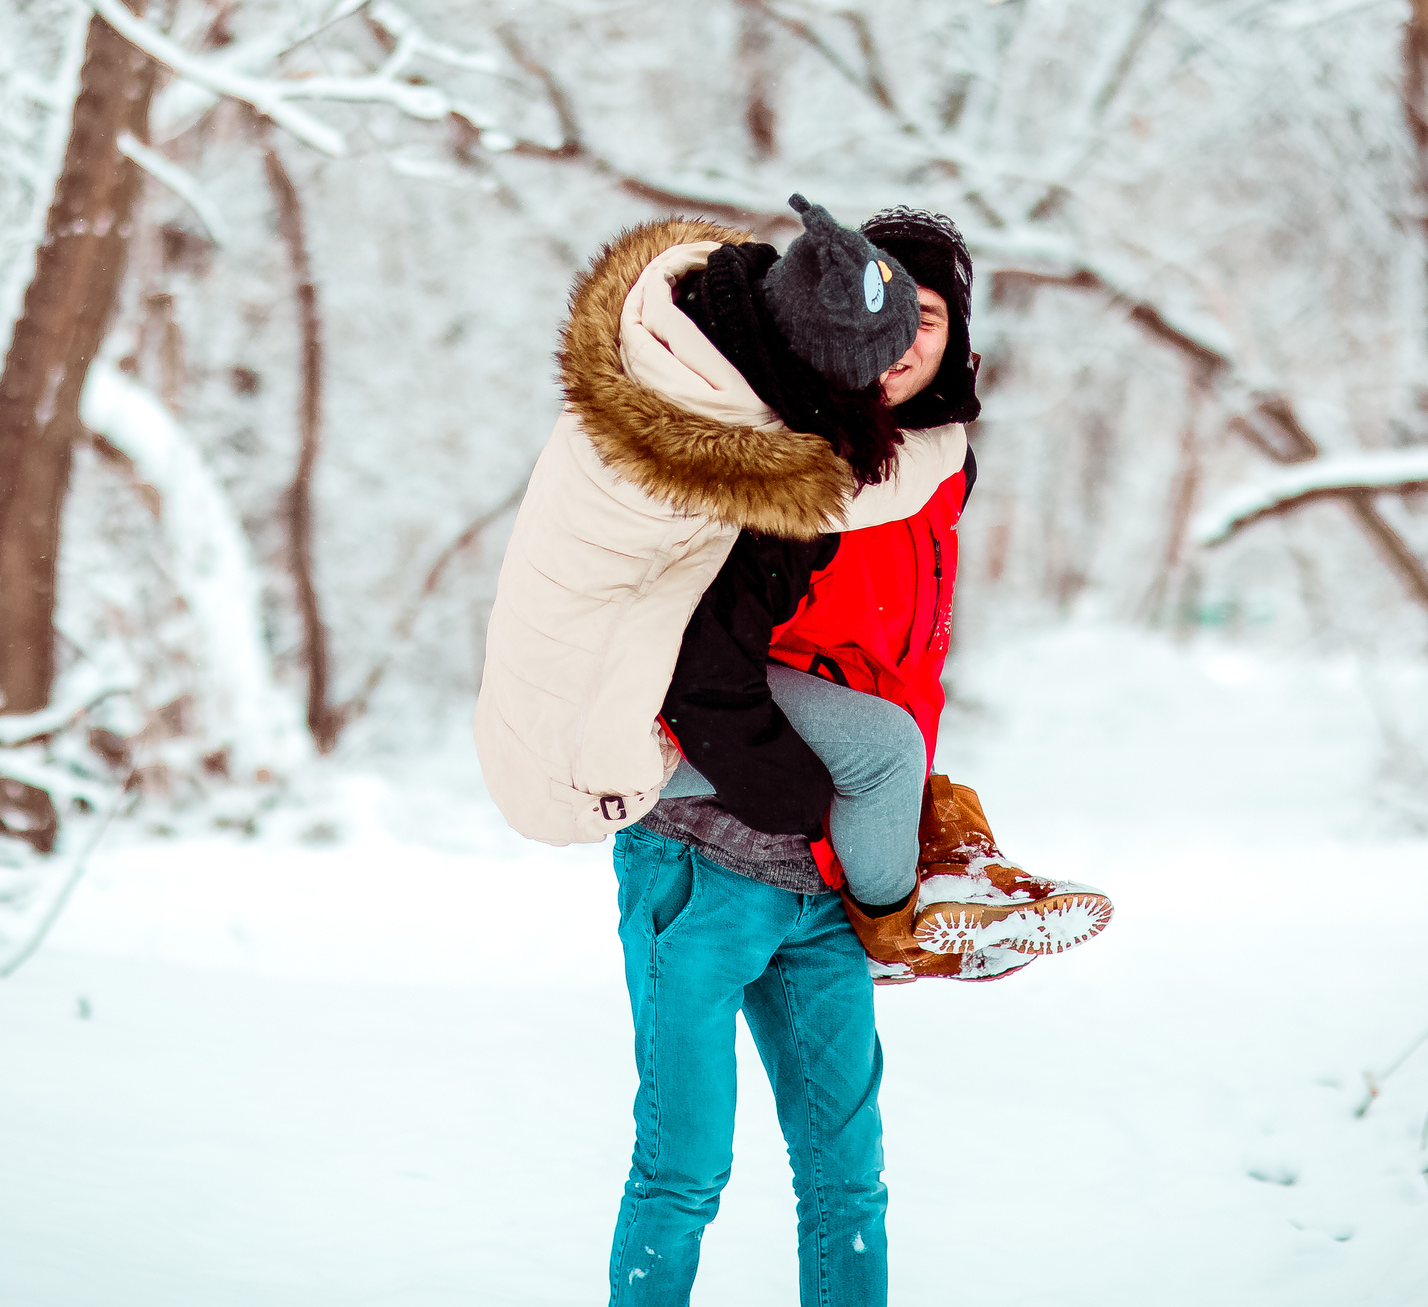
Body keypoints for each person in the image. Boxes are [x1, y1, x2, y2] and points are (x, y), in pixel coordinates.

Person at [472, 197, 1107, 1305]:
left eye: (932, 319)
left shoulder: (928, 469)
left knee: (847, 1180)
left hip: (820, 883)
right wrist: (831, 788)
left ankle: (917, 898)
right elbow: (692, 669)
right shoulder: (768, 463)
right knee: (681, 1172)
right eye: (891, 315)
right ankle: (914, 914)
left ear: (960, 333)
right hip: (703, 868)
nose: (911, 340)